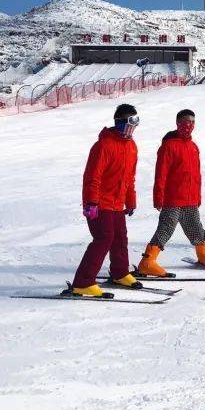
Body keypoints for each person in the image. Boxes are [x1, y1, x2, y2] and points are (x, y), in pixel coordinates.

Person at [137, 109, 205, 276]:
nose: (188, 126)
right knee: (166, 228)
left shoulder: (193, 147)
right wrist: (158, 197)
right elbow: (160, 174)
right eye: (184, 122)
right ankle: (147, 261)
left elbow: (197, 175)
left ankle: (201, 253)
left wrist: (198, 196)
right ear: (177, 123)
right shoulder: (168, 146)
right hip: (172, 198)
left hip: (190, 198)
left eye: (191, 122)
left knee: (196, 227)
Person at [70, 104, 141, 297]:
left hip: (117, 202)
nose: (133, 128)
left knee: (120, 237)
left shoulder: (132, 147)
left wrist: (130, 200)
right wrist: (91, 203)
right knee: (104, 238)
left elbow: (129, 178)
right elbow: (93, 177)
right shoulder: (103, 146)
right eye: (129, 123)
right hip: (99, 202)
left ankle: (120, 273)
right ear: (119, 123)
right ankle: (83, 282)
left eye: (136, 123)